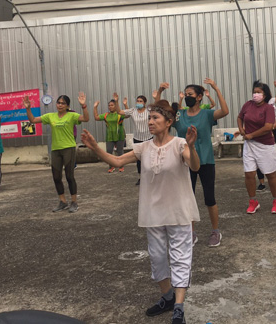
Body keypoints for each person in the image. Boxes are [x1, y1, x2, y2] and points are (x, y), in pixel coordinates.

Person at [80, 100, 200, 324]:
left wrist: (192, 148)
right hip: (152, 212)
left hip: (179, 211)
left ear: (169, 122)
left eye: (155, 118)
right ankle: (167, 297)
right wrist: (95, 147)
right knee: (157, 257)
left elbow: (195, 166)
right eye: (150, 118)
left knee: (181, 257)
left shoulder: (180, 143)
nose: (150, 121)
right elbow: (117, 161)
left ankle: (179, 307)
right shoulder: (143, 147)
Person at [161, 78, 229, 248]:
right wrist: (160, 92)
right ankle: (191, 232)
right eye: (186, 94)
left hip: (206, 161)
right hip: (185, 162)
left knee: (210, 198)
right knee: (187, 198)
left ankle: (215, 231)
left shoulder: (206, 114)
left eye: (190, 94)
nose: (187, 97)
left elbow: (225, 111)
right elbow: (160, 114)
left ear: (199, 97)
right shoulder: (180, 115)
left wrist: (216, 88)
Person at [23, 93, 89, 213]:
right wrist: (28, 108)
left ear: (67, 106)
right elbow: (33, 120)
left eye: (63, 103)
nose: (60, 105)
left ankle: (74, 202)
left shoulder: (72, 115)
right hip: (55, 150)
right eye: (58, 102)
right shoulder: (51, 116)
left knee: (69, 176)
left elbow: (86, 118)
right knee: (56, 177)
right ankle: (62, 201)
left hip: (68, 148)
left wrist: (83, 106)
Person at [238, 80, 276, 214]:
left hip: (265, 145)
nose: (255, 94)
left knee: (270, 174)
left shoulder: (268, 108)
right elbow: (240, 117)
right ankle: (253, 201)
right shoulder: (248, 105)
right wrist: (241, 129)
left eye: (259, 92)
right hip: (249, 145)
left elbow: (268, 127)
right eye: (254, 92)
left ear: (265, 95)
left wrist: (251, 135)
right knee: (249, 174)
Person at [116, 93, 154, 186]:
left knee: (150, 158)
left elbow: (158, 108)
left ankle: (151, 176)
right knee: (139, 159)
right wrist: (116, 101)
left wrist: (157, 96)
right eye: (137, 101)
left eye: (141, 101)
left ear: (144, 103)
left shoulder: (149, 110)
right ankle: (141, 177)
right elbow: (120, 112)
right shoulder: (133, 110)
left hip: (148, 138)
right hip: (137, 138)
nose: (139, 103)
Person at [93, 99, 127, 173]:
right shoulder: (106, 115)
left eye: (112, 105)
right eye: (109, 105)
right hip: (109, 136)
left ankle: (121, 166)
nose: (110, 107)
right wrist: (95, 107)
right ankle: (111, 166)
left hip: (120, 135)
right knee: (109, 152)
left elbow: (128, 115)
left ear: (115, 106)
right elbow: (96, 118)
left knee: (120, 151)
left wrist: (125, 105)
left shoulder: (119, 114)